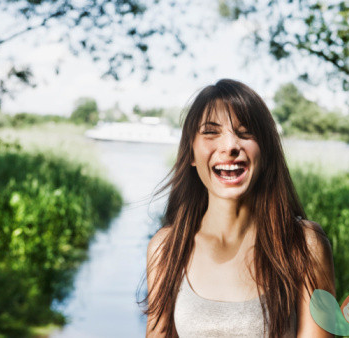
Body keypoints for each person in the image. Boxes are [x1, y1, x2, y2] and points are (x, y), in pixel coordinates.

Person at [141, 79, 335, 337]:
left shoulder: (305, 245)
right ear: (190, 152)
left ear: (265, 151)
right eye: (211, 132)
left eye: (245, 132)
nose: (230, 146)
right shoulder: (166, 249)